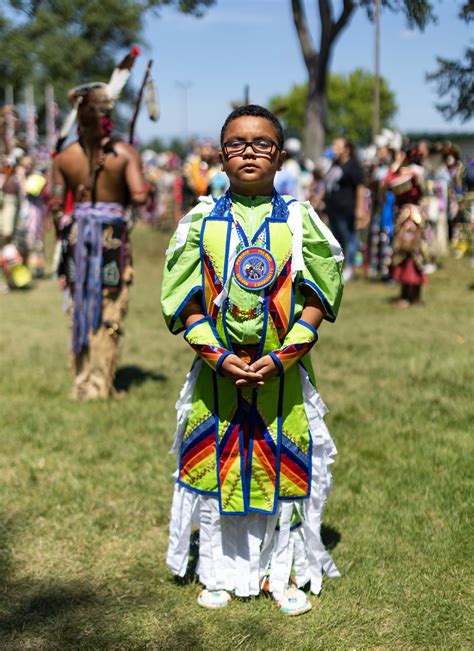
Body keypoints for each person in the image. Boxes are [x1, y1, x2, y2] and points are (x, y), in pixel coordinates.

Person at [161, 105, 344, 615]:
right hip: (217, 378)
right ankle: (219, 572)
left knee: (280, 468)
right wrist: (216, 357)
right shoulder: (200, 221)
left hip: (281, 379)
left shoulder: (299, 219)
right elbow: (185, 298)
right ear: (221, 158)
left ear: (280, 157)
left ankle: (278, 573)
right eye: (237, 144)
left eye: (261, 143)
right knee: (221, 468)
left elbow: (318, 294)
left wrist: (285, 356)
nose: (248, 151)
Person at [51, 57, 149, 400]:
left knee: (79, 306)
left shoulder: (64, 158)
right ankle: (97, 385)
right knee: (108, 309)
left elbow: (54, 204)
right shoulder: (124, 153)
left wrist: (63, 235)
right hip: (111, 239)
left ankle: (83, 380)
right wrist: (140, 187)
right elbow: (140, 195)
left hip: (76, 238)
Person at [324, 138, 368, 281]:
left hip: (347, 208)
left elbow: (360, 188)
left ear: (347, 149)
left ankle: (350, 267)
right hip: (333, 208)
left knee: (349, 238)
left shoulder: (353, 166)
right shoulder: (335, 164)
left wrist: (360, 209)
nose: (334, 148)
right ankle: (338, 266)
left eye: (337, 146)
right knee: (336, 239)